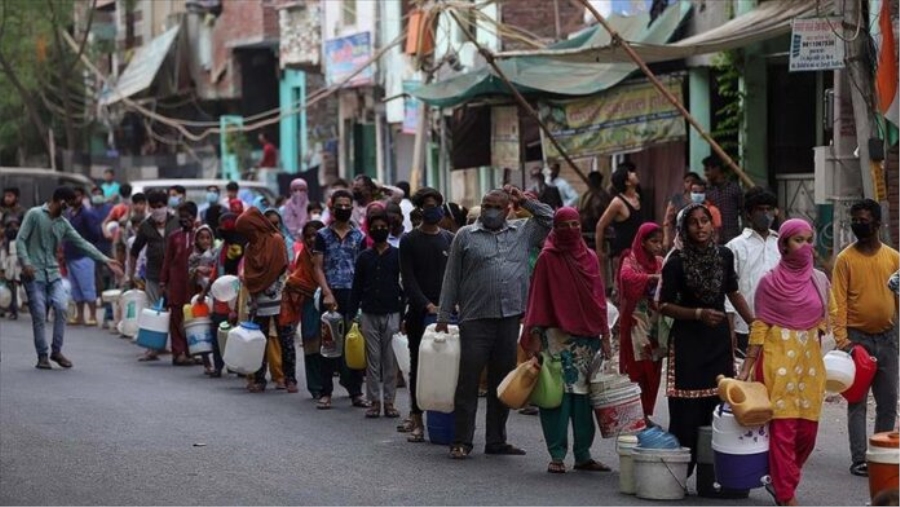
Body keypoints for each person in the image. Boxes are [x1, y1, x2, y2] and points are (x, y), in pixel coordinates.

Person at [437, 186, 553, 459]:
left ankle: (496, 440)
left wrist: (525, 200)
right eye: (486, 205)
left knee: (502, 382)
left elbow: (550, 218)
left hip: (509, 317)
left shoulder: (523, 232)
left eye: (497, 207)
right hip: (475, 319)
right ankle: (462, 440)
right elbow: (451, 278)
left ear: (509, 209)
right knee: (468, 381)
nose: (490, 211)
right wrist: (443, 316)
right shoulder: (465, 236)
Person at [736, 218, 843, 506]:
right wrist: (747, 365)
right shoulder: (769, 282)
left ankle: (780, 477)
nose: (805, 246)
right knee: (783, 431)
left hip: (809, 367)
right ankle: (785, 494)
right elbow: (760, 325)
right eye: (799, 240)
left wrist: (840, 342)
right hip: (776, 362)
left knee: (807, 433)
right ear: (783, 244)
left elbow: (830, 314)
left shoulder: (819, 279)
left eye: (809, 240)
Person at [657, 203, 754, 474]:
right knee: (686, 410)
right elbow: (663, 305)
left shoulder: (724, 256)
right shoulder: (675, 262)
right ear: (684, 229)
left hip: (718, 341)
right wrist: (697, 313)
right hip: (688, 341)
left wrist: (754, 324)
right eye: (693, 222)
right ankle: (678, 474)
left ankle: (713, 473)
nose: (700, 227)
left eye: (705, 221)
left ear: (713, 225)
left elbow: (733, 292)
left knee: (718, 405)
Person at [523, 207, 612, 474]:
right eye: (565, 225)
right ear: (556, 228)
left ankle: (584, 454)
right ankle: (557, 455)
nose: (571, 230)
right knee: (557, 399)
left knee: (585, 401)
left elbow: (599, 301)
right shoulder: (547, 259)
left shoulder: (591, 258)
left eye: (576, 224)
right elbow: (538, 299)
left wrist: (606, 335)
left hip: (587, 341)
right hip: (556, 338)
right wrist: (536, 336)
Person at [16, 187, 123, 369]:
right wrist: (26, 263)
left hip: (53, 273)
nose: (69, 207)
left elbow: (82, 243)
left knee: (61, 306)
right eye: (69, 203)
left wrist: (105, 260)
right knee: (40, 314)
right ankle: (42, 356)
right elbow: (20, 240)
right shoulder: (34, 214)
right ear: (61, 201)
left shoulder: (63, 223)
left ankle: (56, 351)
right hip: (34, 275)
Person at [832, 199, 900, 477]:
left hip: (888, 338)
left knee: (888, 401)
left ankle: (881, 454)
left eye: (864, 220)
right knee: (857, 400)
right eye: (855, 220)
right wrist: (844, 341)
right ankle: (860, 458)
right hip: (857, 339)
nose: (859, 224)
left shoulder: (894, 258)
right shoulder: (845, 260)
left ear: (877, 224)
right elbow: (837, 302)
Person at [398, 187, 455, 441]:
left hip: (448, 314)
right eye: (429, 205)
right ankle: (417, 418)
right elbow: (408, 280)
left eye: (437, 204)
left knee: (449, 367)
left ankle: (447, 421)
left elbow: (456, 277)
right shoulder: (409, 240)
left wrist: (453, 303)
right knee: (419, 366)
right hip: (420, 315)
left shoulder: (449, 239)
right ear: (420, 209)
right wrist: (426, 305)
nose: (434, 209)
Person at [311, 189, 368, 409]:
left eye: (347, 205)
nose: (343, 209)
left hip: (353, 294)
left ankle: (356, 391)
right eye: (339, 205)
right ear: (332, 207)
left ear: (352, 208)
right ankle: (326, 392)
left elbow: (362, 269)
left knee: (354, 342)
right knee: (329, 343)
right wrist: (326, 292)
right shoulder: (322, 235)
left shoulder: (359, 236)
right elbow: (317, 266)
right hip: (331, 292)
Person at [348, 210, 404, 418]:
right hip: (369, 313)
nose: (379, 230)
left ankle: (389, 402)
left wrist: (404, 315)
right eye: (375, 227)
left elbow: (403, 287)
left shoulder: (398, 255)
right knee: (372, 360)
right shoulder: (364, 257)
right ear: (369, 230)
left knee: (390, 361)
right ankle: (374, 402)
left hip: (392, 312)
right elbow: (357, 287)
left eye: (383, 226)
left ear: (389, 229)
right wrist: (352, 314)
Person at [236, 206, 295, 393]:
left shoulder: (276, 240)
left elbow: (282, 269)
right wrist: (254, 296)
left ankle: (289, 378)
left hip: (278, 298)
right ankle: (260, 378)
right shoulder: (249, 247)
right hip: (258, 300)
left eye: (250, 230)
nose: (249, 235)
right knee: (259, 341)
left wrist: (274, 290)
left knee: (285, 340)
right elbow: (251, 274)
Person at [617, 222, 665, 425]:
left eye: (660, 242)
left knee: (653, 369)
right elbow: (626, 278)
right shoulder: (631, 259)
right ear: (643, 242)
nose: (658, 246)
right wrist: (652, 278)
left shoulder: (661, 261)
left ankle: (645, 413)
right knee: (637, 367)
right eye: (654, 242)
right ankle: (635, 414)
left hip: (656, 324)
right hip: (637, 322)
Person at [725, 187, 780, 353]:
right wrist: (729, 328)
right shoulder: (735, 247)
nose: (765, 214)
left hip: (779, 325)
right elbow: (729, 291)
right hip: (744, 327)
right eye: (760, 209)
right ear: (749, 214)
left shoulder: (781, 244)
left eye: (769, 209)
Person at [130, 190, 180, 361]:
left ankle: (178, 347)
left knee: (176, 310)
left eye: (160, 206)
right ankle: (153, 348)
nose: (157, 210)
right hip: (154, 274)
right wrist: (131, 274)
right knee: (154, 309)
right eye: (154, 207)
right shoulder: (145, 226)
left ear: (166, 206)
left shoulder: (177, 223)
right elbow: (134, 251)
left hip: (175, 274)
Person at [280, 220, 326, 398]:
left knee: (331, 346)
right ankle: (315, 386)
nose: (312, 239)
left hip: (330, 302)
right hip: (310, 306)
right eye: (308, 236)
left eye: (316, 235)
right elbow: (296, 279)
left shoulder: (330, 255)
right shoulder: (304, 257)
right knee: (312, 344)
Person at [201, 212, 244, 377]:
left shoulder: (238, 247)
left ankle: (236, 365)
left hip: (235, 298)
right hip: (220, 298)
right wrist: (204, 293)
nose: (219, 229)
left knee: (235, 334)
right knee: (218, 333)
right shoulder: (223, 246)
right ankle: (219, 366)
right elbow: (215, 273)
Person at [160, 202, 200, 366]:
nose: (184, 219)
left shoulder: (200, 235)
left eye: (188, 216)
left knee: (193, 317)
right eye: (181, 216)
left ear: (194, 217)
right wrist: (163, 282)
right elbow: (167, 260)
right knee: (176, 316)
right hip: (176, 282)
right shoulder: (174, 237)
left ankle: (192, 351)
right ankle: (178, 353)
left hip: (194, 284)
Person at [595, 162, 644, 286]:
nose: (634, 174)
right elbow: (600, 225)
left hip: (638, 250)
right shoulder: (617, 202)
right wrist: (600, 251)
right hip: (623, 253)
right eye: (630, 173)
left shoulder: (637, 197)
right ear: (627, 182)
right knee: (623, 287)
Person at [63, 188, 103, 326]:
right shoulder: (69, 213)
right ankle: (79, 315)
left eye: (77, 196)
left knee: (87, 286)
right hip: (70, 255)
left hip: (83, 255)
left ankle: (92, 315)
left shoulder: (87, 214)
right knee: (76, 288)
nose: (74, 199)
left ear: (82, 197)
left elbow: (95, 234)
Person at [703, 156, 743, 244]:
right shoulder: (707, 191)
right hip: (712, 238)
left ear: (717, 169)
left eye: (707, 170)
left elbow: (743, 211)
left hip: (732, 237)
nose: (705, 174)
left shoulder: (734, 189)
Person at [662, 172, 702, 250]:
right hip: (681, 237)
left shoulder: (701, 198)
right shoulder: (677, 199)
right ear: (683, 183)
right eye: (687, 181)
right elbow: (667, 221)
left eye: (693, 181)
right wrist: (666, 238)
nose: (690, 184)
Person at [578, 171, 612, 251]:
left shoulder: (603, 195)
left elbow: (602, 211)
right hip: (584, 227)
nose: (589, 183)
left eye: (591, 181)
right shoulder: (586, 194)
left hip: (595, 226)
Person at [1, 214, 22, 319]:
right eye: (11, 225)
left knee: (15, 288)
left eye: (15, 225)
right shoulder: (7, 241)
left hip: (16, 265)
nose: (13, 228)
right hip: (9, 266)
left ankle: (15, 308)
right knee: (9, 288)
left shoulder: (19, 240)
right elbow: (4, 254)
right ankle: (10, 308)